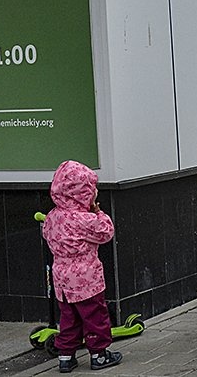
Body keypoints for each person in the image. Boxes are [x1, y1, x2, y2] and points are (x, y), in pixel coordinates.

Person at [43, 160, 123, 373]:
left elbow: (47, 235)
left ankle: (66, 357)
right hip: (86, 280)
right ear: (83, 194)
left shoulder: (53, 217)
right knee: (95, 317)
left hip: (62, 281)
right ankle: (99, 354)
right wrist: (98, 212)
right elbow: (106, 232)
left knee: (69, 319)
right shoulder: (84, 219)